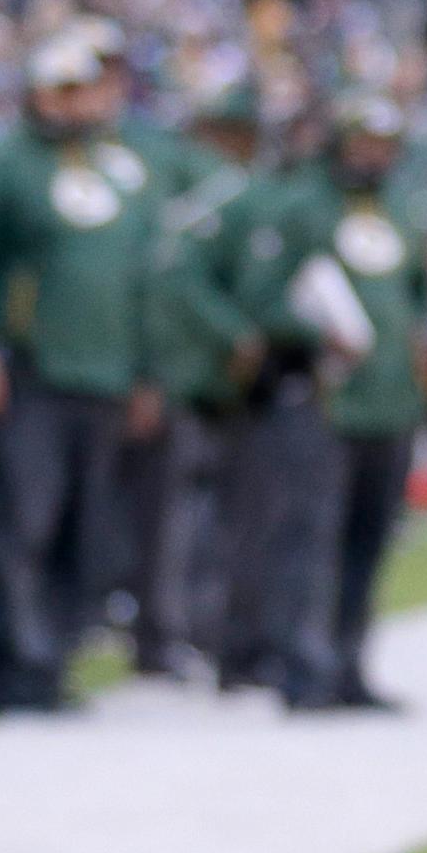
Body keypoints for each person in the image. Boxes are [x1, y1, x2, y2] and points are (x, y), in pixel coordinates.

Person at [0, 22, 160, 714]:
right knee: (24, 521)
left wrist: (145, 370)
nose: (74, 104)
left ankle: (53, 659)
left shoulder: (119, 173)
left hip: (104, 372)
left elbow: (140, 279)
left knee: (84, 531)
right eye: (61, 90)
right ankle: (13, 665)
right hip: (31, 369)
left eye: (84, 89)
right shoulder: (1, 169)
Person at [234, 100, 427, 713]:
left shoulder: (403, 208)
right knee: (309, 539)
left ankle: (349, 664)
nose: (375, 154)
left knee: (369, 540)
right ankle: (302, 667)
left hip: (389, 400)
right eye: (364, 141)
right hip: (322, 398)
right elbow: (260, 298)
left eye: (386, 142)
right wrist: (316, 332)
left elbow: (417, 296)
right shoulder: (299, 206)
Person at [141, 84, 272, 682]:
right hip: (194, 379)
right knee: (190, 517)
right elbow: (179, 274)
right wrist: (233, 334)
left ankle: (191, 633)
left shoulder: (186, 182)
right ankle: (184, 633)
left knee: (195, 516)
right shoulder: (215, 189)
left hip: (190, 376)